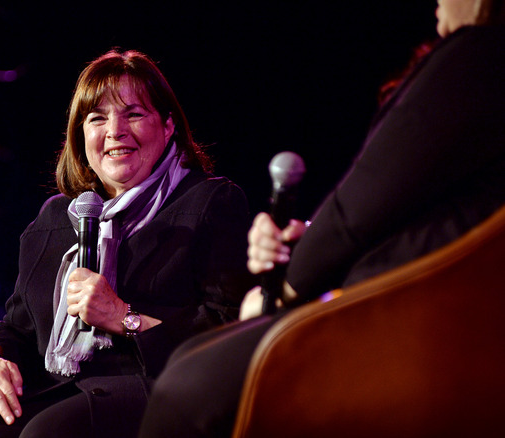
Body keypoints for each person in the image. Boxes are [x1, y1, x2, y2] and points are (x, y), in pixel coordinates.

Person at [138, 1, 505, 436]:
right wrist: (305, 241)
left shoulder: (481, 56)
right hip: (426, 315)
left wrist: (286, 288)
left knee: (187, 386)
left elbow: (362, 205)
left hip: (408, 328)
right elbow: (422, 212)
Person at [0, 49, 256, 438]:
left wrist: (122, 317)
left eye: (133, 114)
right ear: (81, 138)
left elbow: (231, 333)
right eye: (97, 118)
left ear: (167, 126)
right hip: (64, 390)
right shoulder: (55, 218)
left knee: (49, 433)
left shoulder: (210, 202)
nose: (115, 130)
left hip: (162, 391)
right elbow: (17, 326)